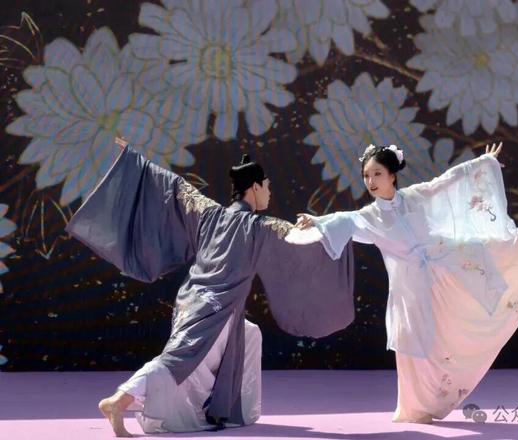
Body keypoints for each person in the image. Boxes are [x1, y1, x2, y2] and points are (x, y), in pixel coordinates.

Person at [66, 138, 354, 436]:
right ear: (255, 187)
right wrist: (329, 224)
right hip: (216, 307)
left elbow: (173, 185)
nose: (269, 192)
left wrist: (139, 160)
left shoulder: (210, 213)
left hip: (194, 299)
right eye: (267, 186)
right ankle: (119, 400)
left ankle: (236, 408)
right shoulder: (258, 227)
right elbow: (300, 238)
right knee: (179, 360)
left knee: (249, 335)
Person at [292, 142, 518, 423]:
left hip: (446, 271)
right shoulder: (369, 216)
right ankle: (412, 409)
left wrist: (482, 163)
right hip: (410, 288)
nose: (370, 180)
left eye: (377, 173)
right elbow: (343, 219)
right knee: (411, 347)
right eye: (366, 175)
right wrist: (315, 221)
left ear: (392, 175)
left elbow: (447, 181)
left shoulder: (415, 197)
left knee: (498, 250)